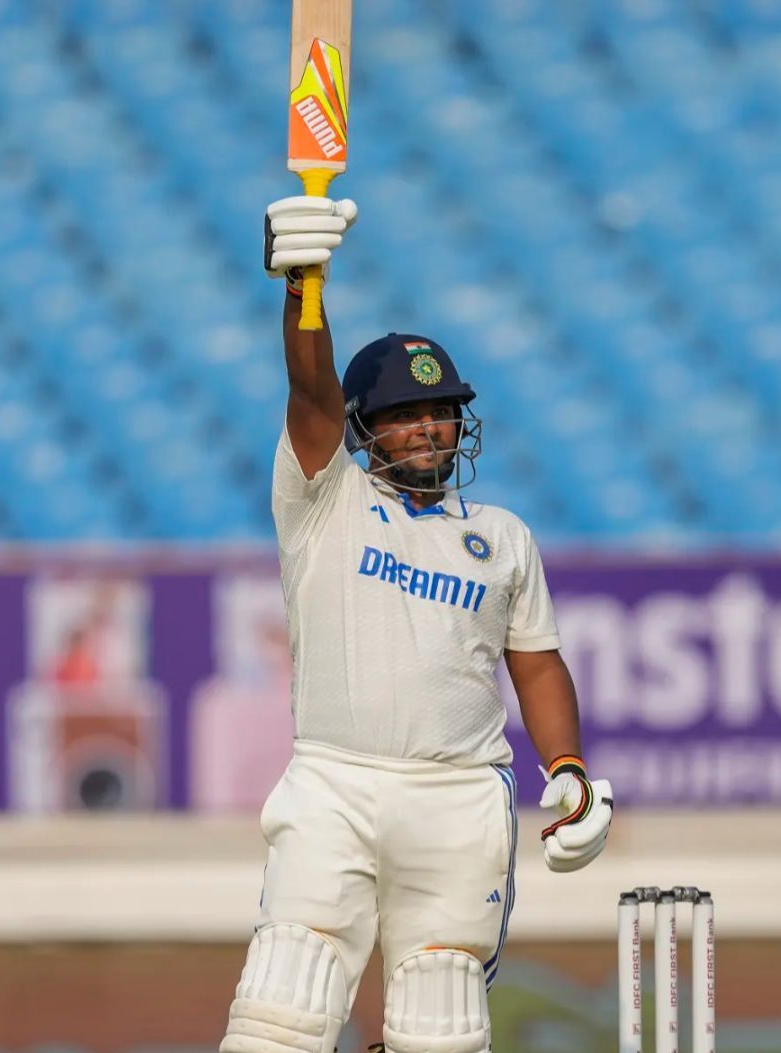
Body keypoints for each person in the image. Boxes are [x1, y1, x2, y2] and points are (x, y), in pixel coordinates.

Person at [217, 197, 613, 1053]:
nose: (430, 425)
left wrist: (571, 768)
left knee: (441, 1024)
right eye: (404, 411)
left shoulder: (501, 538)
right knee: (281, 1013)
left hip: (459, 795)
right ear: (363, 425)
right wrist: (304, 287)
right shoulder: (326, 497)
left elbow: (537, 665)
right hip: (335, 783)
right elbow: (309, 388)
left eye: (441, 411)